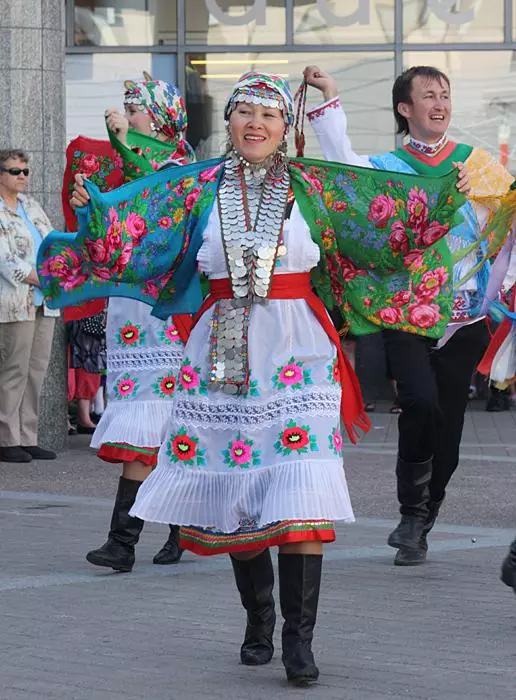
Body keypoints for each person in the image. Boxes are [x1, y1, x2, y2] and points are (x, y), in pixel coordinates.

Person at [39, 71, 469, 685]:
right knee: (237, 492)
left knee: (298, 491)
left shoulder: (316, 189)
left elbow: (381, 232)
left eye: (269, 115)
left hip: (300, 355)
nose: (256, 125)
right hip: (220, 352)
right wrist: (96, 214)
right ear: (232, 124)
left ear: (284, 128)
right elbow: (141, 233)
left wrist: (434, 205)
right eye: (245, 114)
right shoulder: (197, 189)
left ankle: (300, 640)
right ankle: (258, 618)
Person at [304, 64, 516, 566]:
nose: (439, 104)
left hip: (464, 316)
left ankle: (424, 518)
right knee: (419, 402)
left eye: (445, 95)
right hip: (406, 311)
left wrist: (504, 283)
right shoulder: (389, 168)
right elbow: (345, 175)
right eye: (428, 96)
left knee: (450, 433)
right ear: (405, 108)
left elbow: (509, 218)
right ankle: (408, 512)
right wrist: (329, 98)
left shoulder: (479, 164)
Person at [69, 75, 195, 571]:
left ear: (161, 119)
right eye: (125, 110)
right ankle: (180, 530)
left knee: (152, 427)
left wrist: (123, 151)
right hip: (131, 318)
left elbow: (158, 221)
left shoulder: (183, 171)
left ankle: (123, 542)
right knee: (163, 428)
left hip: (167, 321)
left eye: (136, 109)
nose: (125, 118)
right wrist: (90, 209)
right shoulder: (131, 172)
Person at [0, 149, 59, 463]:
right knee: (14, 370)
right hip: (15, 300)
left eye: (25, 171)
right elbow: (5, 261)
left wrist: (61, 270)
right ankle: (6, 438)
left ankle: (27, 436)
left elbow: (52, 241)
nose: (22, 176)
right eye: (14, 171)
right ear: (0, 175)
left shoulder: (31, 205)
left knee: (36, 370)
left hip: (44, 300)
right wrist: (41, 278)